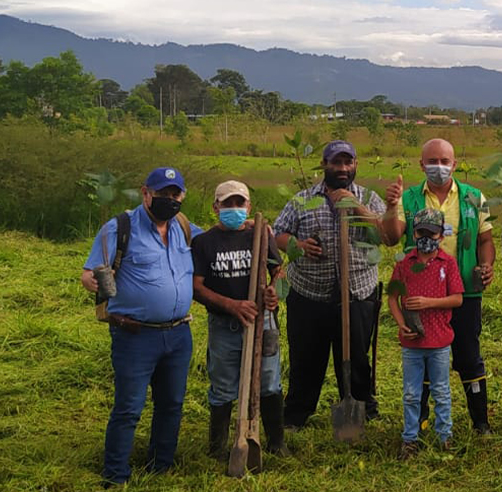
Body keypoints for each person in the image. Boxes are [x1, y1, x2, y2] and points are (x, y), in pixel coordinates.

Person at [80, 167, 199, 486]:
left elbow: (218, 243)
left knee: (171, 404)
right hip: (134, 335)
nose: (169, 200)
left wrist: (249, 226)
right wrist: (94, 282)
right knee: (129, 407)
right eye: (162, 194)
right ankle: (116, 475)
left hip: (178, 334)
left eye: (175, 194)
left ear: (182, 197)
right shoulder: (119, 228)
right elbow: (90, 272)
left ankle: (161, 466)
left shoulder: (184, 228)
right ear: (145, 193)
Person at [272, 140, 400, 429]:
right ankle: (297, 414)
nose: (342, 168)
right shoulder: (303, 199)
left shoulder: (368, 197)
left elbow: (386, 236)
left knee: (357, 357)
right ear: (324, 165)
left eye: (347, 163)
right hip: (309, 294)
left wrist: (354, 205)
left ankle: (362, 408)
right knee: (306, 358)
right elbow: (278, 234)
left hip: (357, 292)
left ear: (355, 165)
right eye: (336, 163)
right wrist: (298, 245)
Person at [385, 137, 496, 433]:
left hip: (464, 291)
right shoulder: (408, 199)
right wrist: (390, 206)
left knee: (468, 355)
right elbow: (394, 237)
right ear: (421, 165)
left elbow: (486, 240)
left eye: (444, 161)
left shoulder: (474, 197)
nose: (438, 167)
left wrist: (487, 265)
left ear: (455, 164)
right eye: (432, 161)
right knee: (422, 352)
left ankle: (480, 421)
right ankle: (419, 422)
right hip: (419, 294)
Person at [192, 180, 284, 459]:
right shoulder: (204, 242)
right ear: (216, 207)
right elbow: (196, 287)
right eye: (227, 204)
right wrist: (231, 305)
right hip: (224, 325)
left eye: (239, 203)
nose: (234, 209)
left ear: (248, 206)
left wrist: (274, 293)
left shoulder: (261, 234)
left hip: (262, 322)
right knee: (222, 386)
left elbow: (279, 271)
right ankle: (218, 447)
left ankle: (276, 443)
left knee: (269, 381)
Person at [387, 208, 465, 459]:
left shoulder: (448, 263)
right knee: (411, 392)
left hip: (439, 340)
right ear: (414, 232)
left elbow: (457, 299)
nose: (426, 238)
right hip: (411, 342)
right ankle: (409, 438)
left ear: (441, 235)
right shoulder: (404, 263)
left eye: (432, 233)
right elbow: (392, 298)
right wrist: (401, 324)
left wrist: (428, 302)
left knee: (441, 390)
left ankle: (445, 436)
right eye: (421, 232)